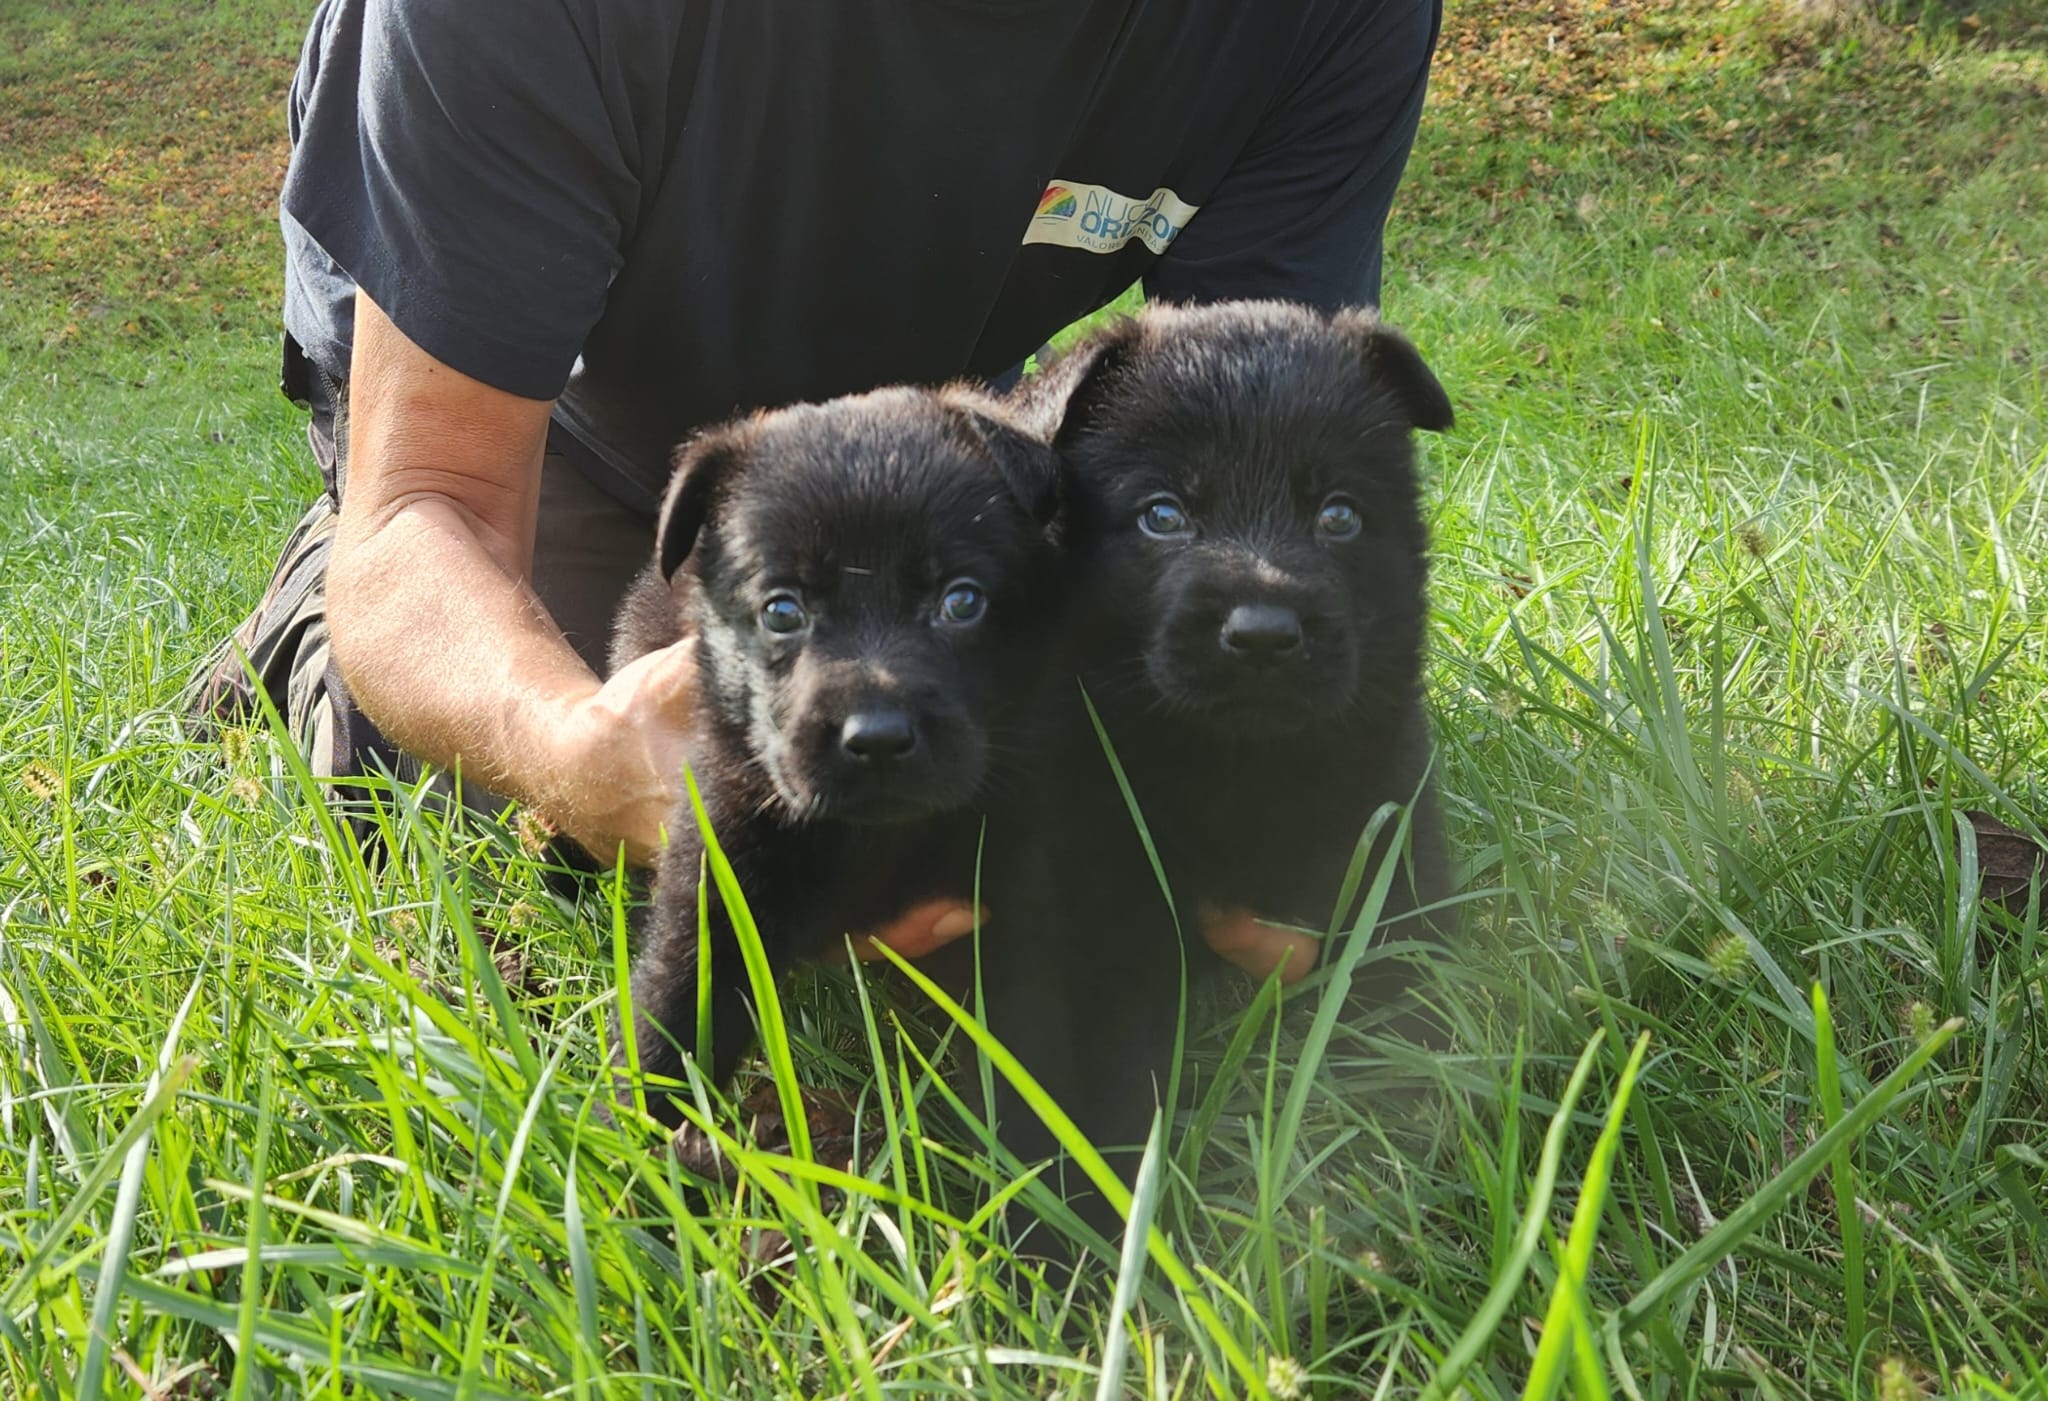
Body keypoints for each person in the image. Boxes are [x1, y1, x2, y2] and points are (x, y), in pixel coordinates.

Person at [191, 0, 1442, 980]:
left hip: (931, 440)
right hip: (541, 405)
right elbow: (438, 494)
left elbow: (1243, 449)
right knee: (584, 815)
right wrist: (572, 752)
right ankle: (315, 606)